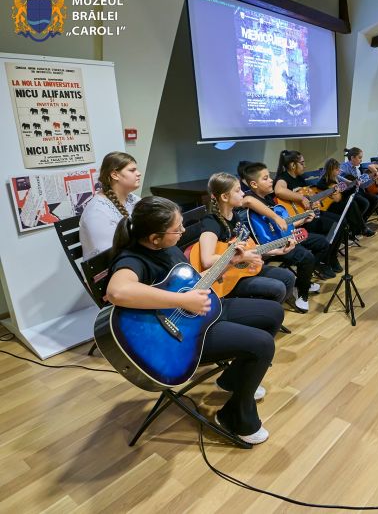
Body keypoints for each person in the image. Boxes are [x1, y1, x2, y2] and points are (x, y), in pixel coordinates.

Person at [105, 196, 283, 444]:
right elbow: (117, 292)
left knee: (273, 313)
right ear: (154, 238)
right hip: (180, 336)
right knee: (262, 344)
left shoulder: (169, 249)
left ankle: (233, 380)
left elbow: (194, 282)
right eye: (176, 229)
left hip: (204, 311)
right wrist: (182, 301)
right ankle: (234, 417)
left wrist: (231, 262)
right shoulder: (133, 259)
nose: (183, 231)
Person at [242, 162, 330, 312]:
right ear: (254, 184)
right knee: (306, 256)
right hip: (270, 245)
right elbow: (248, 201)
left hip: (284, 236)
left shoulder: (268, 198)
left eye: (269, 177)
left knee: (322, 243)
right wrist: (276, 217)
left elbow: (283, 225)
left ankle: (303, 280)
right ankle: (302, 293)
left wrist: (302, 220)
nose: (271, 180)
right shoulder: (249, 197)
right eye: (265, 178)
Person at [199, 172, 296, 305]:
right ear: (225, 197)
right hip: (226, 278)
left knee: (289, 277)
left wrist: (278, 251)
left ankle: (268, 312)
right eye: (238, 190)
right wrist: (242, 257)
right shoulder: (211, 223)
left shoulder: (235, 216)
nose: (243, 194)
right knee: (278, 288)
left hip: (241, 270)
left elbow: (250, 247)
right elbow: (207, 261)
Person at [272, 149, 343, 270]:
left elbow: (308, 199)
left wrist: (315, 201)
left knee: (341, 222)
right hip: (299, 221)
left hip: (309, 214)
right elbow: (279, 191)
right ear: (292, 165)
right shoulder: (283, 178)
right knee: (336, 226)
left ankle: (330, 256)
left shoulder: (300, 178)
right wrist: (302, 198)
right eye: (302, 163)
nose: (304, 165)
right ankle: (323, 260)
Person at [80, 152, 141, 260]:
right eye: (132, 170)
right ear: (115, 175)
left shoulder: (134, 199)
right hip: (112, 264)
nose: (138, 173)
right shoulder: (97, 211)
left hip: (132, 256)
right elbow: (109, 253)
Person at [315, 157, 367, 237]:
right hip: (328, 207)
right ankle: (360, 229)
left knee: (354, 203)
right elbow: (319, 187)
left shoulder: (335, 179)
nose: (339, 171)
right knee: (352, 205)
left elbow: (341, 195)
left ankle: (357, 230)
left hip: (336, 203)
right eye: (337, 169)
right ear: (331, 170)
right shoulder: (324, 180)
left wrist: (353, 187)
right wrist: (331, 190)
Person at [339, 147, 378, 235]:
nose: (361, 160)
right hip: (347, 193)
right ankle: (360, 227)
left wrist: (372, 178)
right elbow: (340, 182)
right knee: (364, 203)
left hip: (357, 192)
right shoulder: (343, 167)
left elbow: (362, 185)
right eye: (359, 158)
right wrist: (351, 183)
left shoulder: (357, 170)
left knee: (375, 199)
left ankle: (361, 223)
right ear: (352, 158)